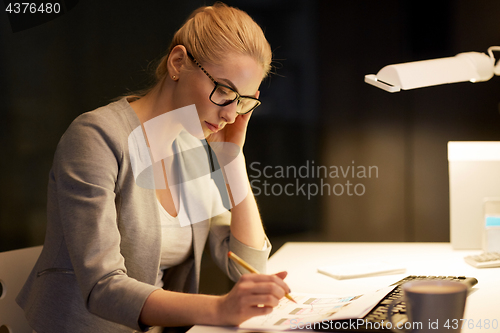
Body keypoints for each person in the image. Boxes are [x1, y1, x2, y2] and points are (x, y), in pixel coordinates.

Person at [16, 3, 291, 332]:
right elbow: (103, 286)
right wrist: (219, 308)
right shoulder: (96, 138)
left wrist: (233, 160)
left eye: (243, 101)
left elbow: (249, 269)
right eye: (224, 91)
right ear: (178, 63)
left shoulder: (194, 146)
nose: (231, 115)